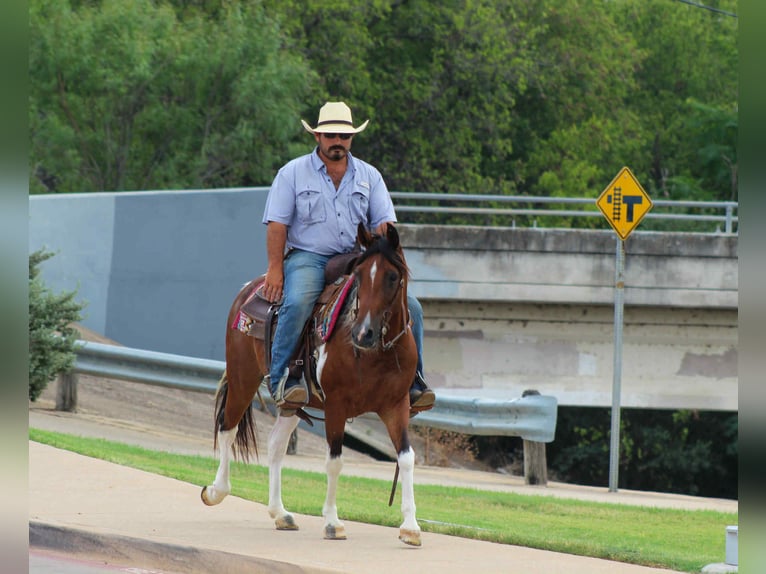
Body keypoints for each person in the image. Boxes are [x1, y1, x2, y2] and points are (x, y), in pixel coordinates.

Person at [261, 101, 435, 413]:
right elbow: (277, 225)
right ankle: (281, 378)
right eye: (331, 135)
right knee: (299, 301)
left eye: (344, 135)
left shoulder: (370, 176)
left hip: (359, 258)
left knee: (414, 309)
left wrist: (384, 237)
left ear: (351, 138)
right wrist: (275, 268)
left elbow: (385, 222)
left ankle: (415, 381)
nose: (337, 141)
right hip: (309, 256)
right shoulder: (292, 174)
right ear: (317, 136)